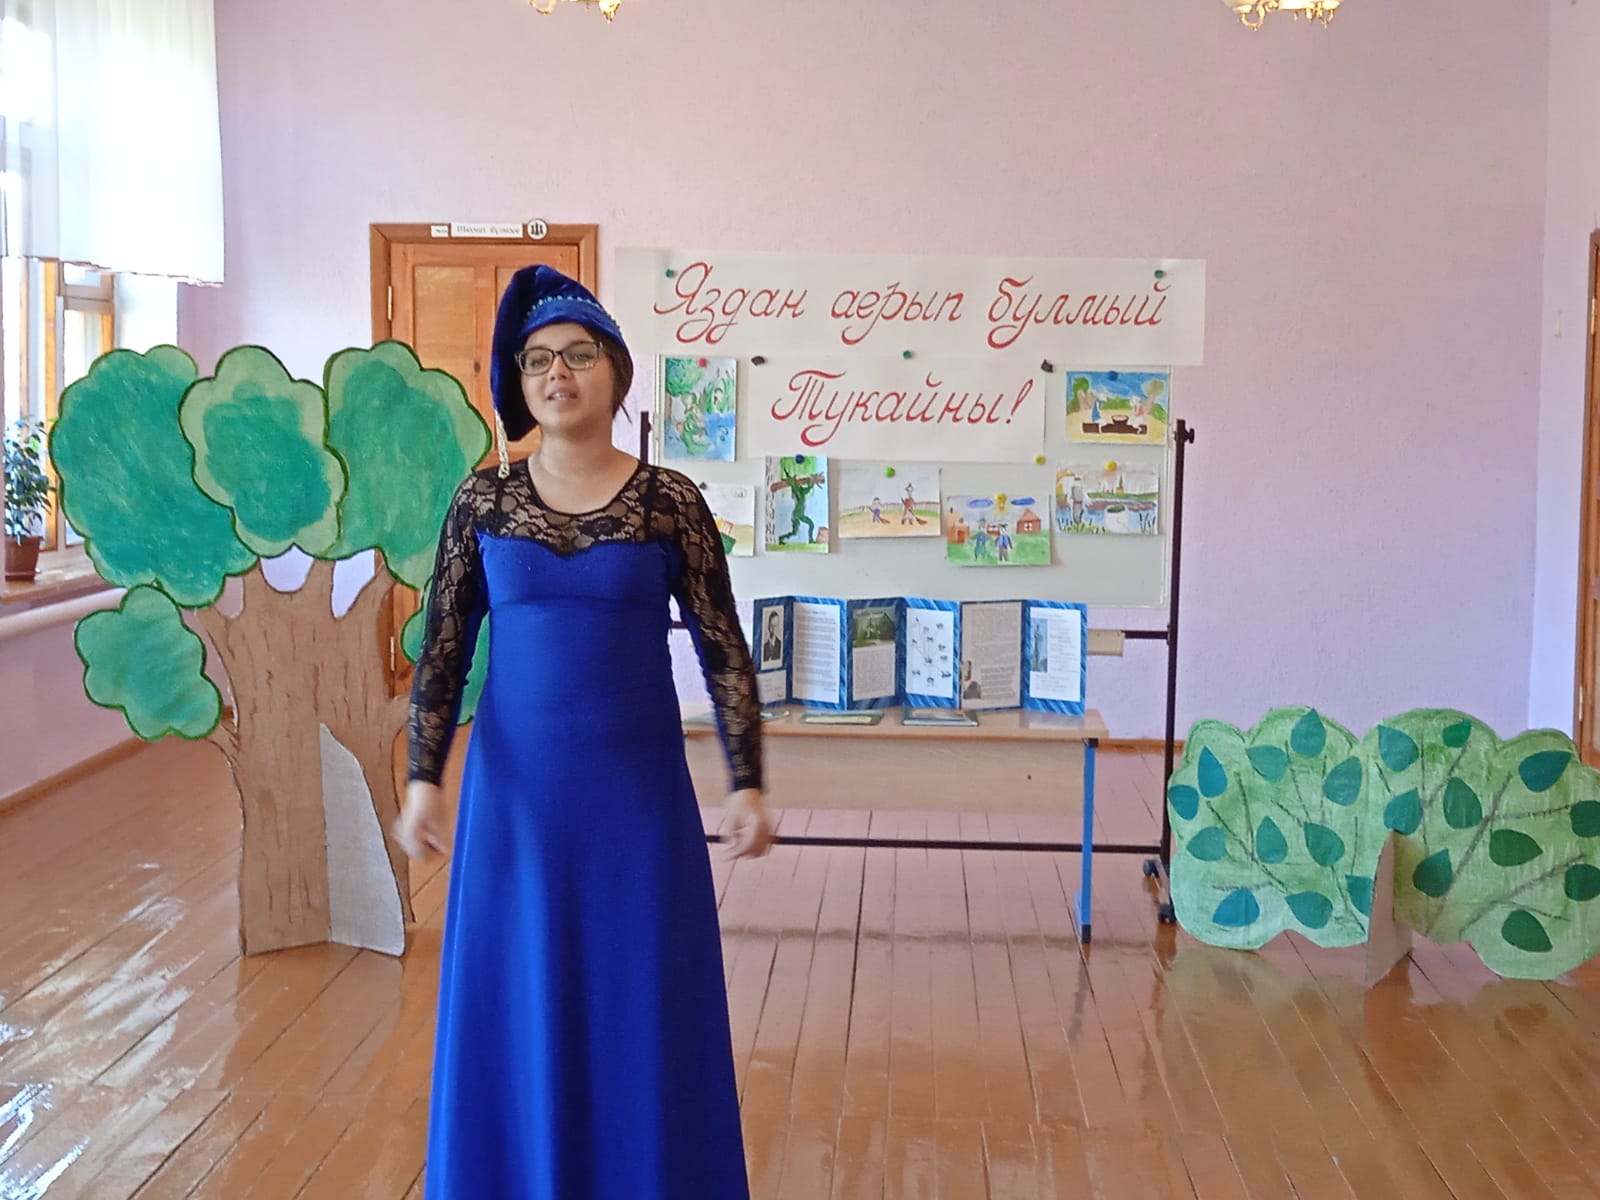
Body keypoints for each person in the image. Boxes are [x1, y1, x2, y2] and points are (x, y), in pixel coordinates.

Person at [394, 264, 771, 1200]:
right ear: (520, 384)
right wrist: (423, 779)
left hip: (636, 804)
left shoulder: (670, 502)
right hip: (515, 803)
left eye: (577, 355)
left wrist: (747, 780)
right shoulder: (482, 502)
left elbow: (724, 648)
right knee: (517, 995)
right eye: (537, 361)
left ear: (616, 373)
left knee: (640, 997)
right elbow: (445, 652)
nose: (557, 373)